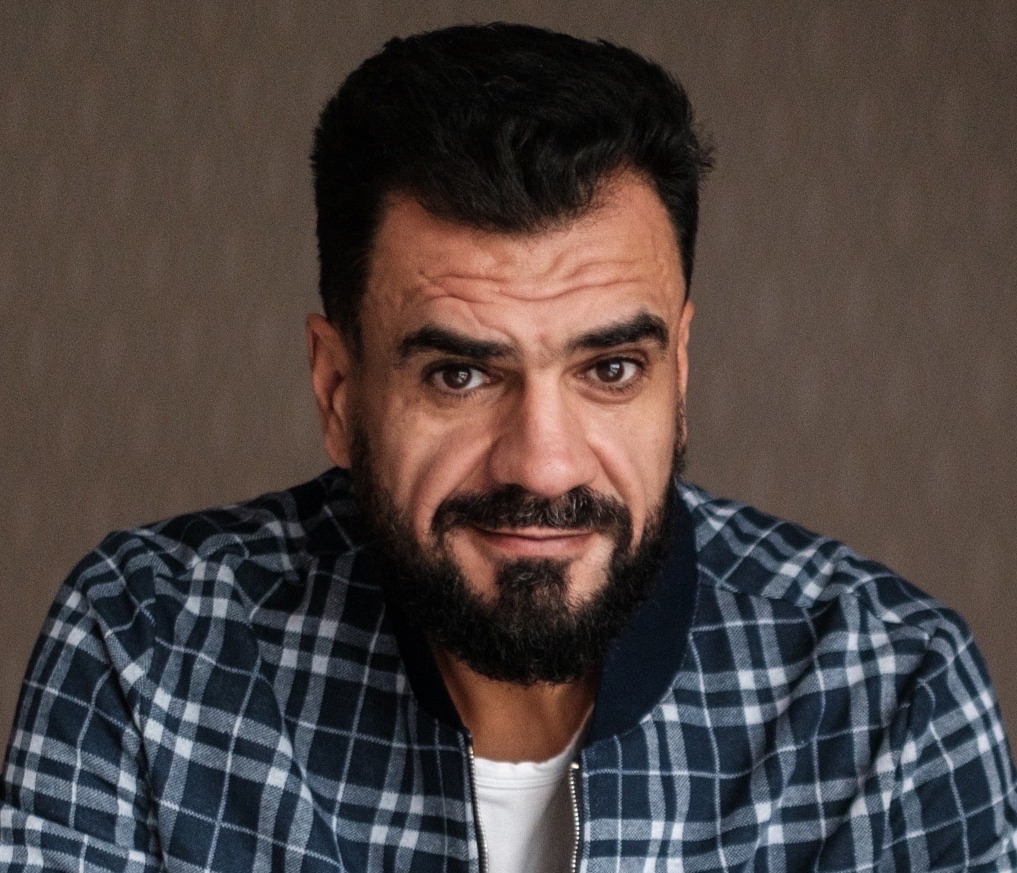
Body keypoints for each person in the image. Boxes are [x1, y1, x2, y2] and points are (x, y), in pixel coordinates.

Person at [2, 22, 1015, 873]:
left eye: (609, 369)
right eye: (460, 375)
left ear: (680, 372)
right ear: (338, 389)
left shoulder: (888, 693)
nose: (543, 464)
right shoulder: (149, 648)